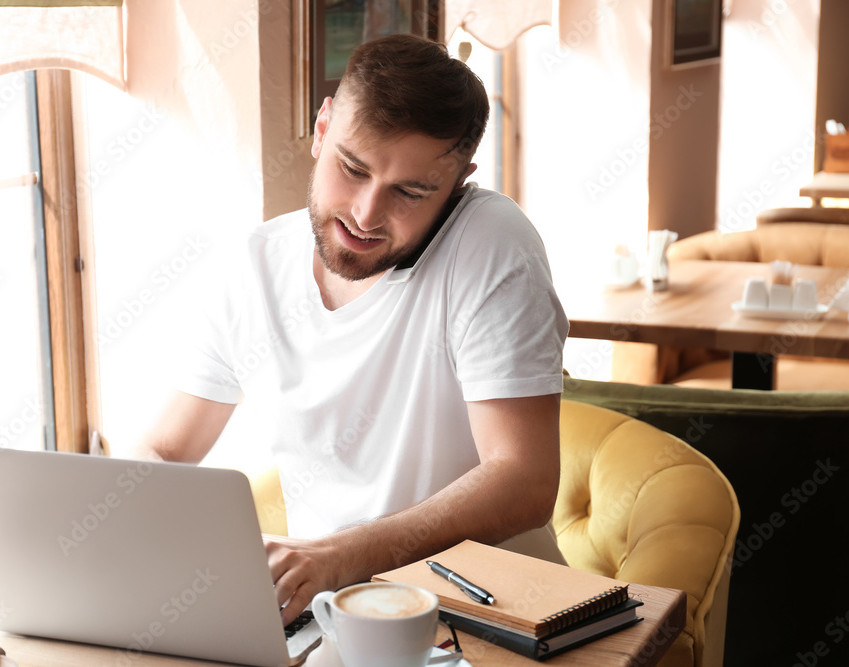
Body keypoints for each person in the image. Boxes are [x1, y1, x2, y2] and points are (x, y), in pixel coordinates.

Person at [139, 33, 569, 626]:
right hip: (334, 616)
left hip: (498, 618)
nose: (366, 215)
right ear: (322, 129)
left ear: (457, 183)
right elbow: (162, 449)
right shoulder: (256, 266)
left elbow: (524, 480)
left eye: (411, 191)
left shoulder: (490, 241)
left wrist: (340, 556)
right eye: (353, 168)